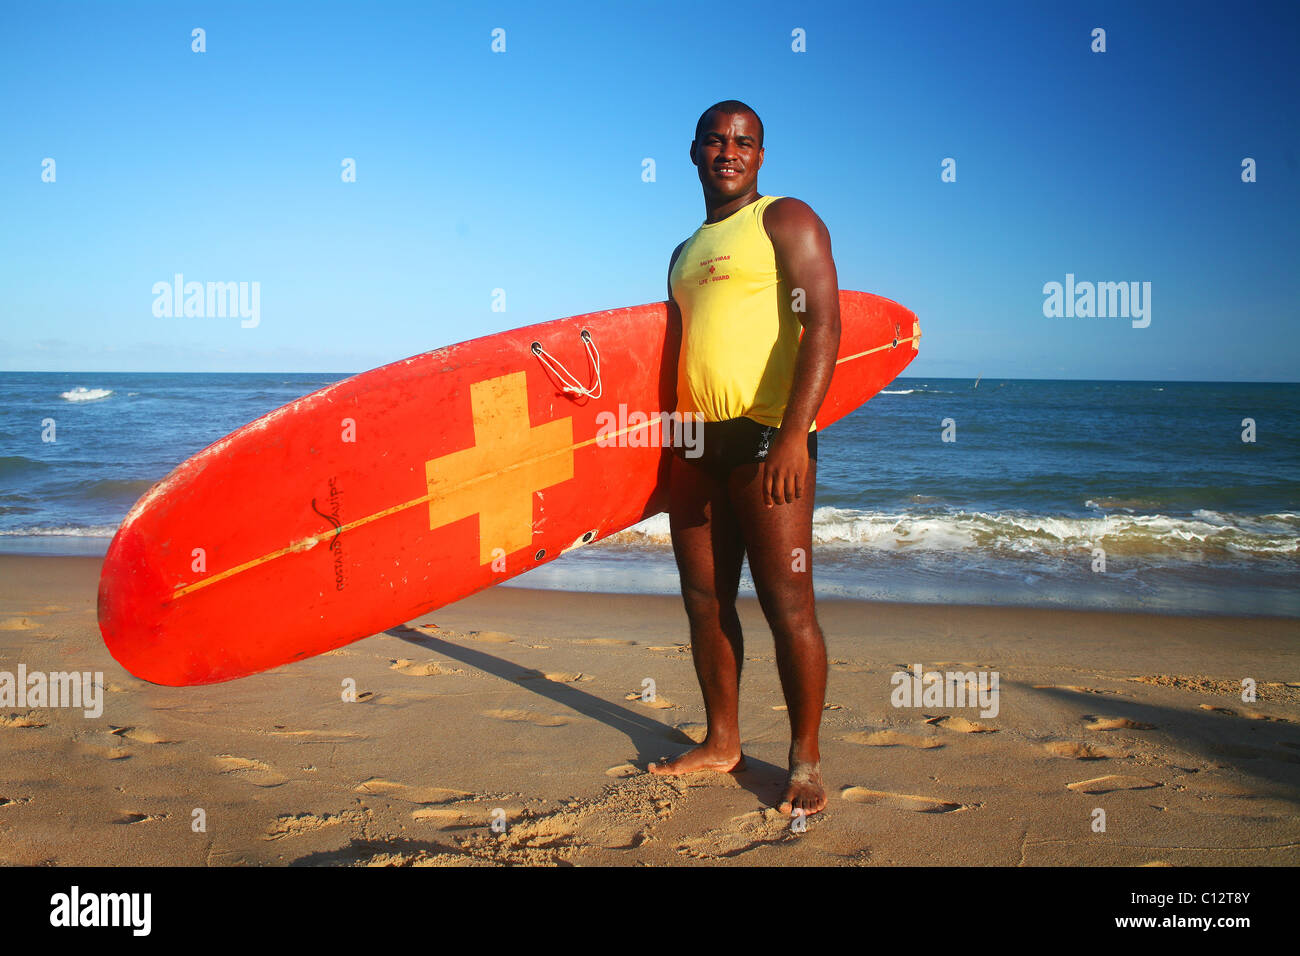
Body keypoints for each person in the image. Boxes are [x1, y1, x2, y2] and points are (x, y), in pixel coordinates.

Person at [648, 100, 841, 817]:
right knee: (704, 601)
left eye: (744, 142)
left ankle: (806, 761)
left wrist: (796, 432)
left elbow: (824, 323)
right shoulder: (682, 252)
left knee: (788, 607)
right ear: (694, 151)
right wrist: (666, 449)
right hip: (697, 444)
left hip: (767, 440)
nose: (729, 151)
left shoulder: (786, 220)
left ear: (761, 156)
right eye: (716, 140)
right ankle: (722, 741)